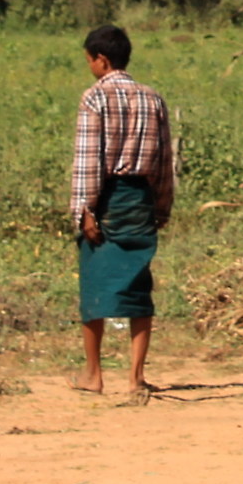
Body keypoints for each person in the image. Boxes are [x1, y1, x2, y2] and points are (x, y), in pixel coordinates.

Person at [69, 24, 175, 398]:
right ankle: (135, 378)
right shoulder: (153, 99)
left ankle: (93, 375)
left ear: (101, 60)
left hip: (107, 200)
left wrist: (85, 210)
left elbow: (89, 159)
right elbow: (164, 160)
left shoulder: (94, 98)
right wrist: (161, 205)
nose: (90, 67)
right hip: (140, 199)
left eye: (89, 60)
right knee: (138, 286)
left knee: (93, 287)